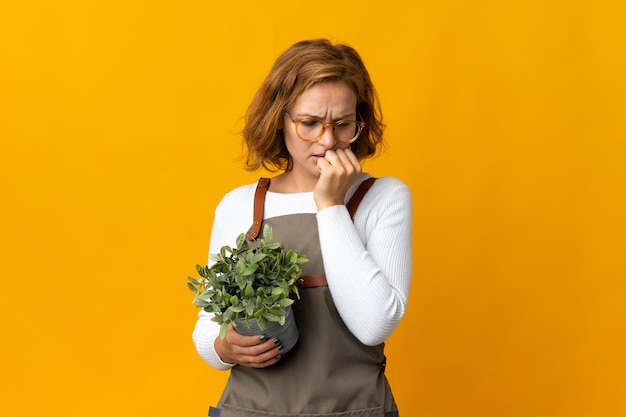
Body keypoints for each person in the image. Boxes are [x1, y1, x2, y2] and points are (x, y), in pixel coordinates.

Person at [192, 38, 412, 417]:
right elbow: (206, 329)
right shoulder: (240, 204)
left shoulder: (384, 197)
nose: (327, 142)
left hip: (357, 409)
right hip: (249, 410)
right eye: (309, 123)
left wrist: (330, 204)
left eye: (343, 125)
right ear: (280, 117)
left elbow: (375, 325)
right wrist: (223, 347)